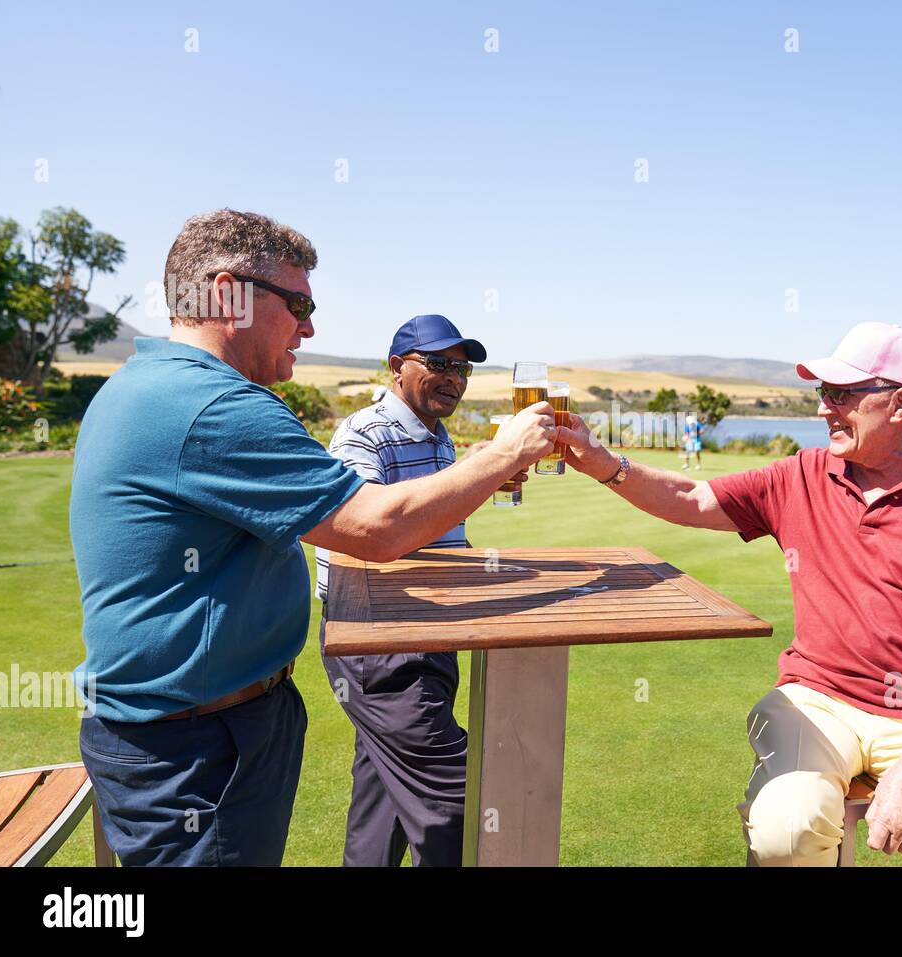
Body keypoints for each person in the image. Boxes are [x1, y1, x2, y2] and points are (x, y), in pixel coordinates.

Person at [70, 209, 565, 866]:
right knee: (466, 810)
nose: (309, 325)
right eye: (297, 302)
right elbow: (374, 527)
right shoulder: (215, 405)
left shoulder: (148, 384)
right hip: (197, 750)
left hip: (197, 730)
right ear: (225, 294)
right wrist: (505, 454)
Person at [558, 322, 902, 866]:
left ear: (899, 404)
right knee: (788, 832)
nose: (825, 409)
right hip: (818, 701)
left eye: (842, 395)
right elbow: (692, 495)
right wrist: (602, 463)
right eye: (823, 394)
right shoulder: (803, 473)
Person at [314, 314, 515, 867]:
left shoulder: (437, 436)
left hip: (428, 633)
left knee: (382, 803)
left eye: (463, 368)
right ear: (397, 367)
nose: (454, 378)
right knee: (458, 800)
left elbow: (435, 530)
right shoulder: (366, 434)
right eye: (439, 363)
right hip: (379, 644)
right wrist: (489, 465)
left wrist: (478, 476)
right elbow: (364, 533)